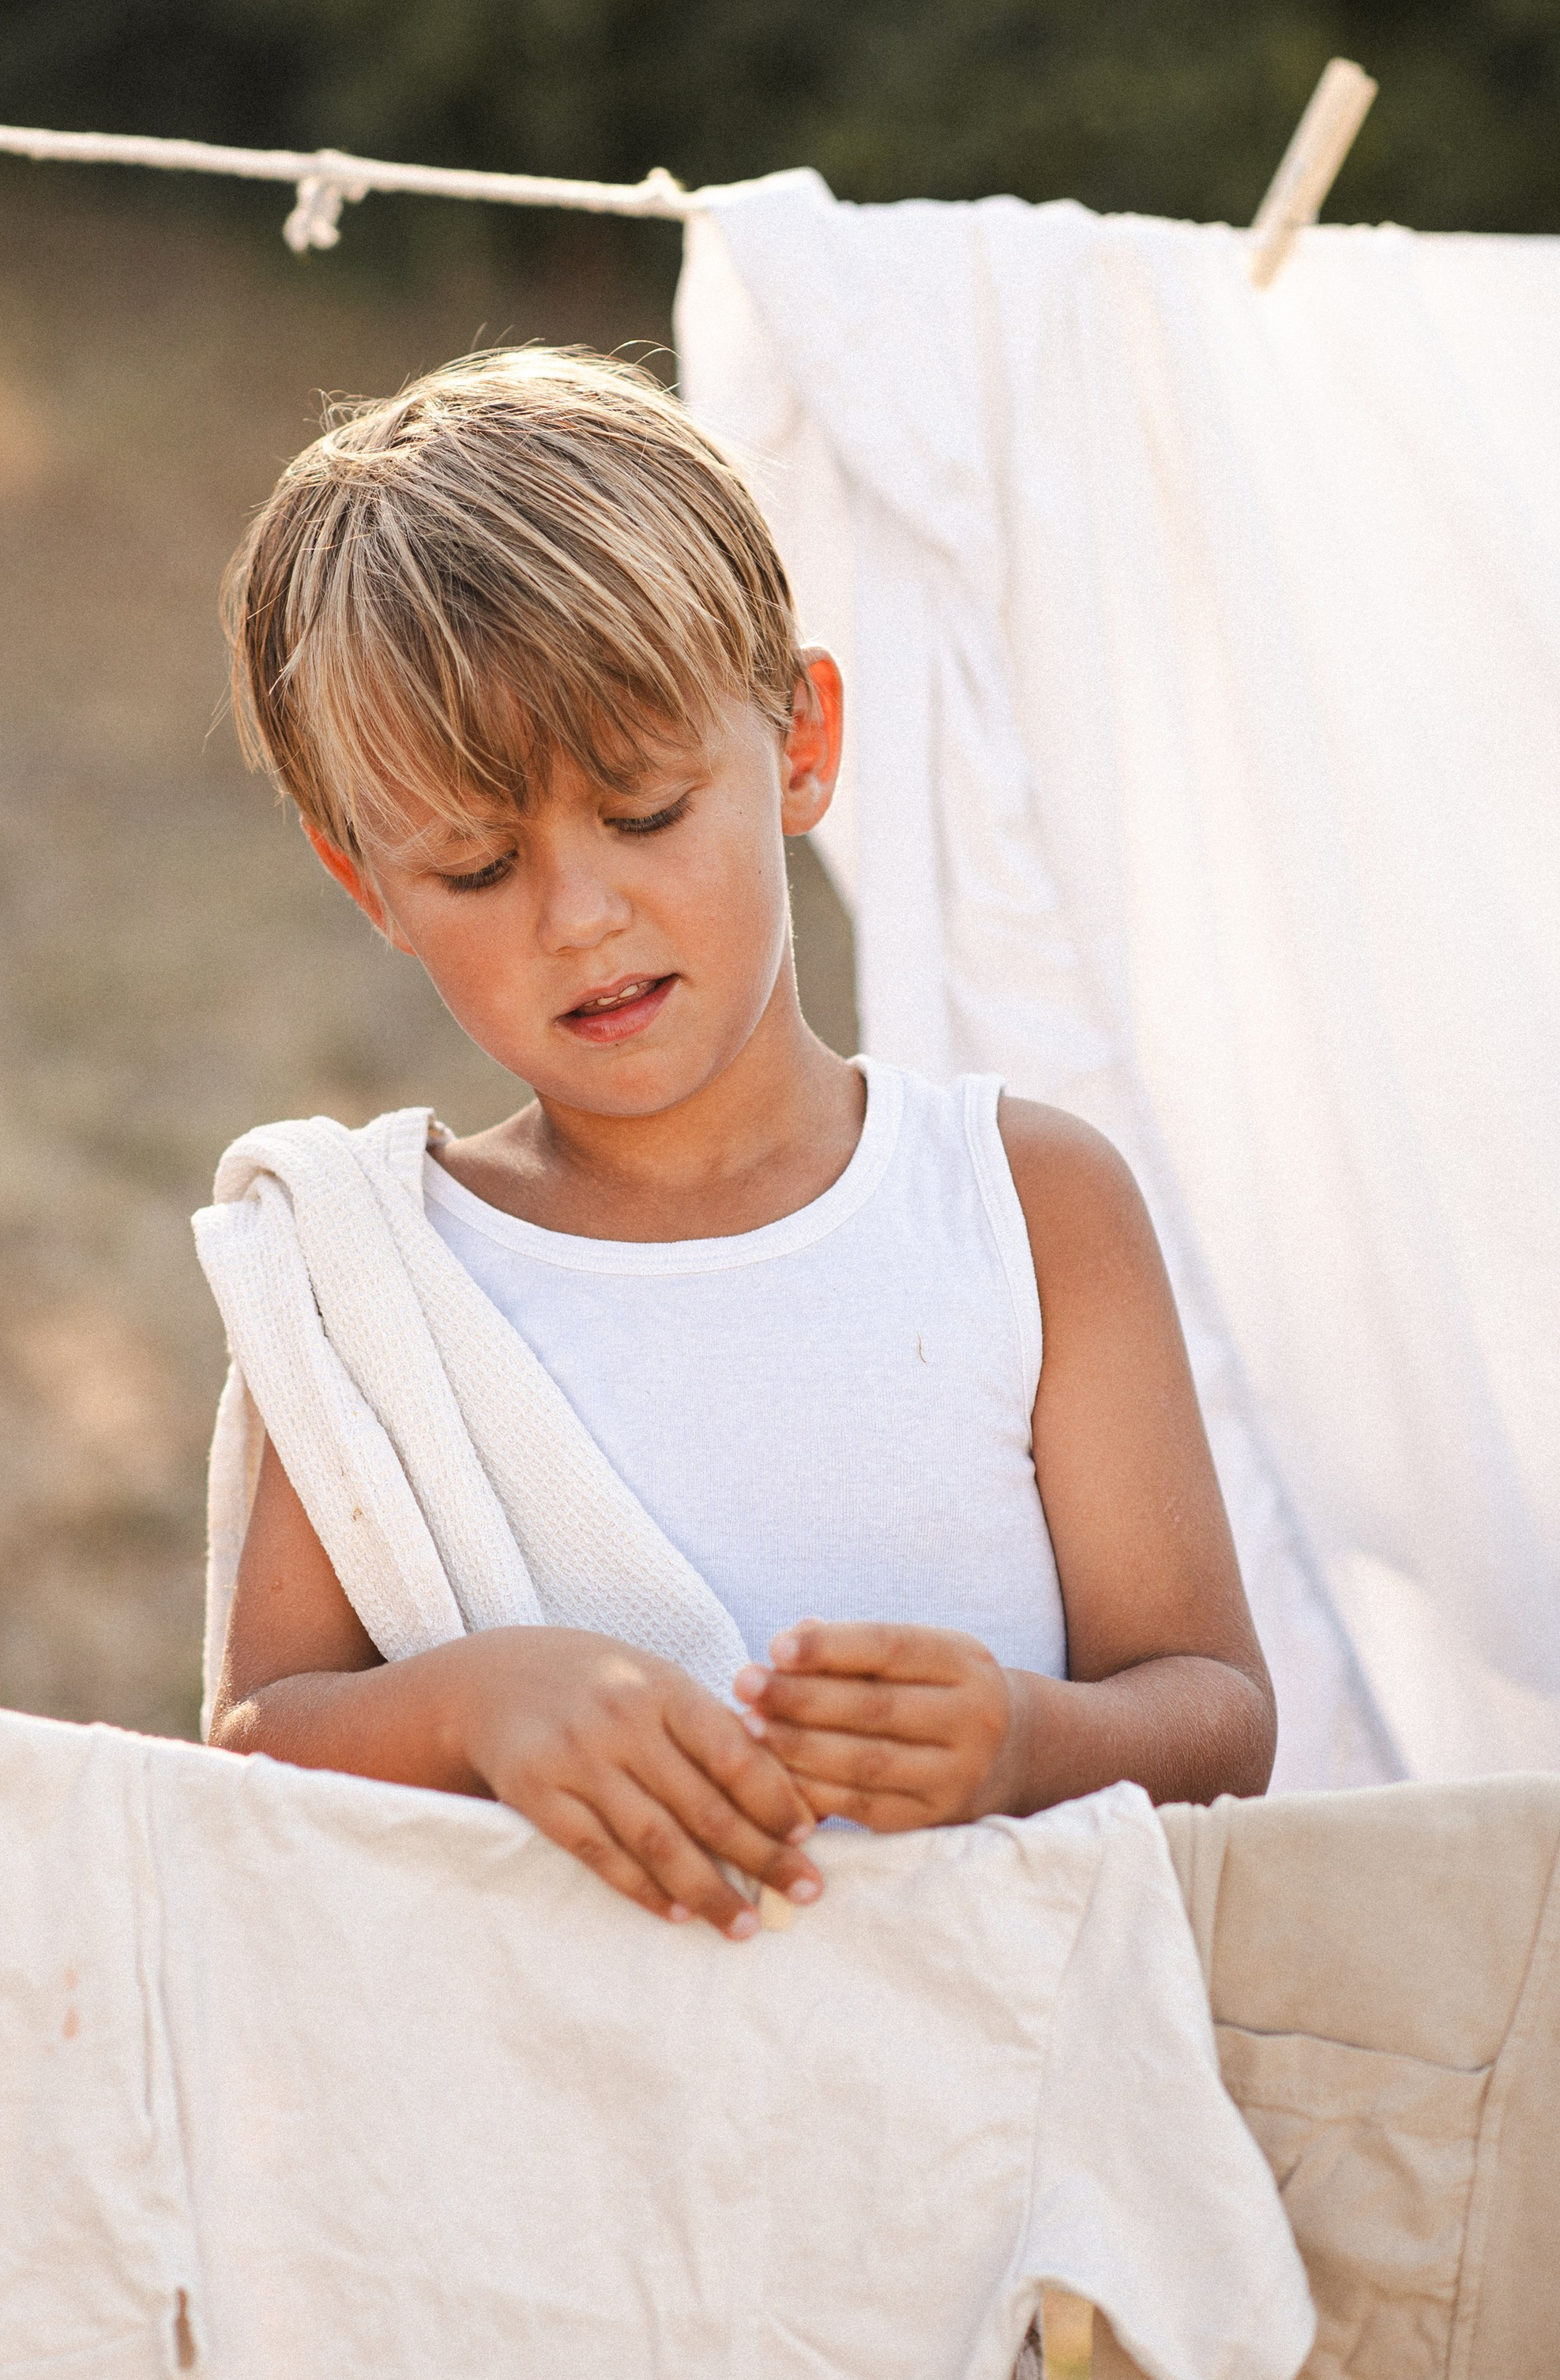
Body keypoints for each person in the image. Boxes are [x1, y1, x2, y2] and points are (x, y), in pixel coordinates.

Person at [209, 346, 1275, 1940]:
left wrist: (1025, 1740)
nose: (579, 917)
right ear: (368, 885)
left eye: (641, 811)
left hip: (976, 2123)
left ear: (798, 742)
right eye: (474, 866)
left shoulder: (1024, 1205)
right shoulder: (375, 1272)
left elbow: (1213, 1716)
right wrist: (465, 1706)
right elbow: (246, 1757)